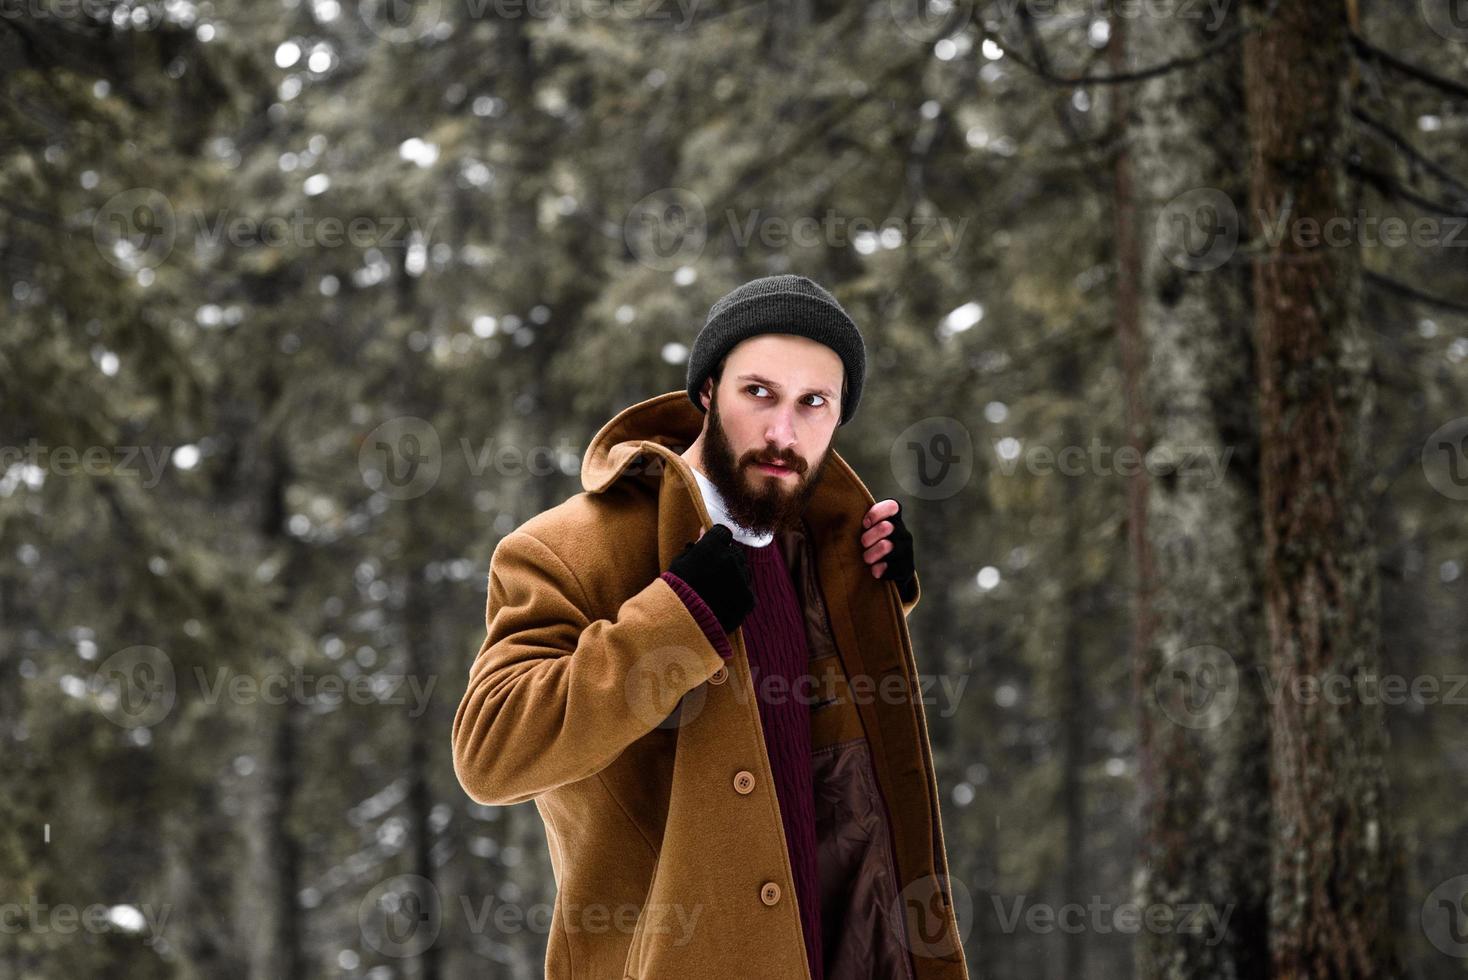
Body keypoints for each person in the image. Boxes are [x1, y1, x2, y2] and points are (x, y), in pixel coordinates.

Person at [452, 274, 969, 979]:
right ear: (706, 392)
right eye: (758, 393)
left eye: (813, 404)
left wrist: (872, 603)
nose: (782, 433)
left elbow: (791, 729)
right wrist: (671, 623)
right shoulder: (565, 549)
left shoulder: (820, 542)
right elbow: (491, 750)